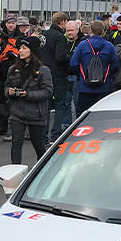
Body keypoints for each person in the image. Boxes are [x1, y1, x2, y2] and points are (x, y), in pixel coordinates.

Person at [5, 37, 52, 164]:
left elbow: (48, 91)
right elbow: (7, 86)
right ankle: (15, 172)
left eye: (24, 48)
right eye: (20, 48)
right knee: (16, 143)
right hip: (17, 113)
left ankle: (43, 170)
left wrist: (27, 94)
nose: (20, 51)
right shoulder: (13, 69)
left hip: (36, 114)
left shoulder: (43, 70)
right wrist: (9, 92)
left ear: (32, 51)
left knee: (38, 145)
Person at [70, 20, 119, 115]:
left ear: (90, 31)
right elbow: (115, 65)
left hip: (85, 87)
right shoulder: (109, 46)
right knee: (101, 115)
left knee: (82, 116)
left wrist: (81, 76)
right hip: (104, 87)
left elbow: (73, 63)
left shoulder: (83, 45)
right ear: (103, 32)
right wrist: (107, 76)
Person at [40, 11, 69, 143]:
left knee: (45, 105)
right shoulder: (60, 37)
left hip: (44, 73)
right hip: (58, 74)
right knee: (60, 104)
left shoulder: (44, 35)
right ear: (62, 21)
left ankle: (43, 136)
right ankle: (56, 135)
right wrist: (70, 57)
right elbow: (60, 57)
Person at [0, 14, 24, 139]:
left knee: (15, 102)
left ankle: (15, 128)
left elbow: (25, 53)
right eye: (8, 23)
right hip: (1, 73)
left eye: (13, 23)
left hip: (16, 74)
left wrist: (15, 55)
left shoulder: (21, 37)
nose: (11, 25)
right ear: (5, 24)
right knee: (1, 101)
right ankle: (2, 126)